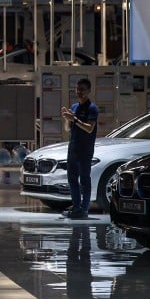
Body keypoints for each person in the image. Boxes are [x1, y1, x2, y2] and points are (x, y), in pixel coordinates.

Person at [60, 78, 99, 219]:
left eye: (82, 89)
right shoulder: (75, 107)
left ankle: (84, 208)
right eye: (77, 89)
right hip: (73, 147)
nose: (79, 92)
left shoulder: (92, 108)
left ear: (88, 91)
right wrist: (67, 118)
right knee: (72, 178)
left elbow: (89, 128)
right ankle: (76, 206)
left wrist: (74, 119)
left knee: (84, 179)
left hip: (85, 149)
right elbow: (68, 129)